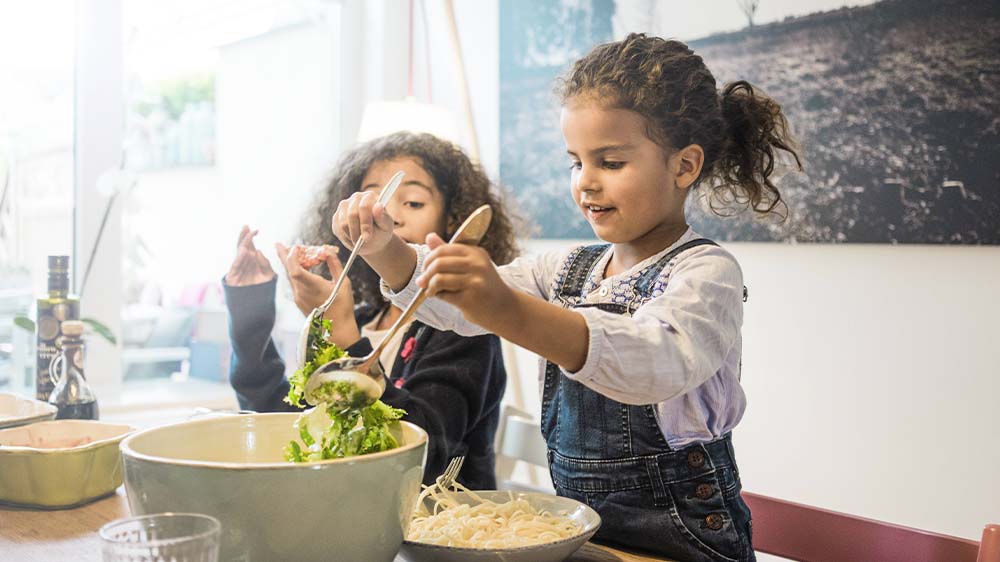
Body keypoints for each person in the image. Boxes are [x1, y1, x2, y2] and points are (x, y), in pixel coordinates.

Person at [332, 34, 801, 562]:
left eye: (611, 162)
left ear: (684, 166)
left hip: (685, 544)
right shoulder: (564, 269)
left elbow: (652, 361)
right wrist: (386, 250)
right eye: (576, 162)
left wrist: (505, 308)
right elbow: (447, 308)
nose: (586, 183)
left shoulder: (705, 273)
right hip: (585, 536)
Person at [223, 131, 520, 490]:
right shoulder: (363, 318)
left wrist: (344, 336)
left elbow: (419, 457)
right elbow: (280, 422)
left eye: (412, 202)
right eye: (372, 204)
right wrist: (249, 312)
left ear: (451, 221)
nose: (388, 217)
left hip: (439, 531)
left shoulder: (466, 330)